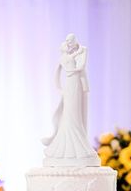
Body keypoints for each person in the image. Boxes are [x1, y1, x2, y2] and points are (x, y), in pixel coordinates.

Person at [42, 34, 100, 167]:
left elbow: (80, 65)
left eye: (69, 41)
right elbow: (73, 68)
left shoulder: (75, 53)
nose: (67, 43)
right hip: (70, 84)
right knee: (70, 113)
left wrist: (59, 87)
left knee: (76, 113)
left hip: (75, 84)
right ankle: (70, 145)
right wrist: (59, 88)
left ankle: (80, 140)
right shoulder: (65, 58)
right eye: (66, 42)